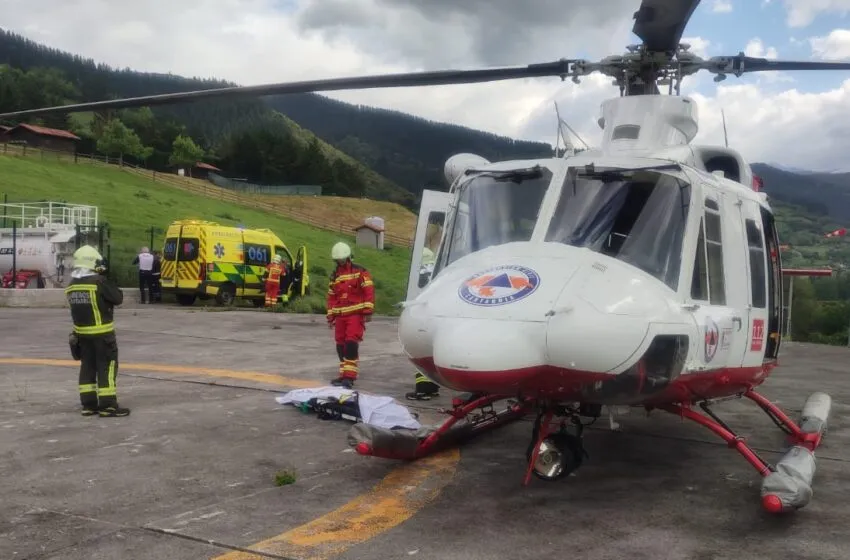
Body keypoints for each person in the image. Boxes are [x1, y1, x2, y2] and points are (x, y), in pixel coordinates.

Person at [65, 245, 129, 417]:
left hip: (82, 336)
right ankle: (108, 406)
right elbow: (117, 298)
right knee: (107, 368)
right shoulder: (98, 282)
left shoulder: (71, 286)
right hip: (103, 336)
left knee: (87, 368)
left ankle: (89, 405)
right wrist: (108, 279)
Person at [326, 242, 375, 388]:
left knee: (351, 344)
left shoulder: (360, 271)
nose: (340, 261)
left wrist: (368, 311)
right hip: (340, 316)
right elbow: (332, 297)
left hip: (355, 315)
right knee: (340, 346)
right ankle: (343, 375)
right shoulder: (335, 275)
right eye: (338, 260)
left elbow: (368, 291)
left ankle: (350, 377)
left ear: (348, 257)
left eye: (342, 259)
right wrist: (330, 316)